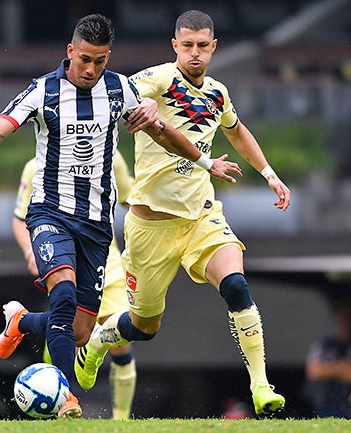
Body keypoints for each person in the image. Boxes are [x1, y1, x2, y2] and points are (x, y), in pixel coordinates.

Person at [0, 14, 235, 418]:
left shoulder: (120, 90)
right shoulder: (43, 91)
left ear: (108, 57)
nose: (91, 69)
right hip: (50, 214)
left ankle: (21, 322)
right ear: (70, 52)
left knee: (78, 331)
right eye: (85, 60)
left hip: (96, 225)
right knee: (61, 294)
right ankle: (66, 398)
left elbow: (162, 131)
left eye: (100, 61)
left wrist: (203, 162)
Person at [74, 10, 291, 418]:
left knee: (237, 287)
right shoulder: (156, 80)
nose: (195, 53)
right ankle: (98, 342)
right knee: (144, 327)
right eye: (187, 45)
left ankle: (261, 386)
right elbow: (122, 91)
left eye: (202, 46)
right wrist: (142, 109)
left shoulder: (217, 93)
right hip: (150, 226)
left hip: (201, 217)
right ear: (175, 46)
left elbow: (236, 129)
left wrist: (269, 174)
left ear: (214, 48)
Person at [13, 152, 137, 420]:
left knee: (125, 338)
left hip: (107, 263)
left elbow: (133, 201)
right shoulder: (35, 166)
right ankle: (57, 403)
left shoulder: (111, 157)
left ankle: (122, 421)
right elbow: (20, 217)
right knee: (67, 327)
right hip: (63, 260)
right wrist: (30, 252)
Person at [304, 290, 351, 418]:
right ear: (336, 316)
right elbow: (314, 371)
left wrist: (329, 369)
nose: (345, 319)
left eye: (349, 313)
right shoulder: (324, 344)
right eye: (342, 314)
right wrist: (344, 368)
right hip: (325, 406)